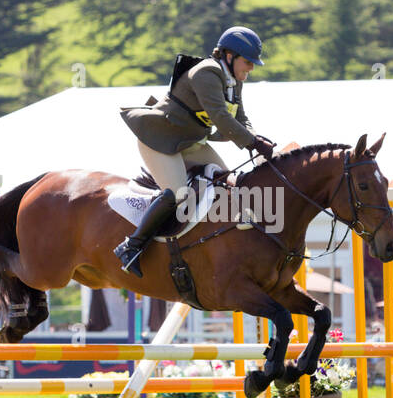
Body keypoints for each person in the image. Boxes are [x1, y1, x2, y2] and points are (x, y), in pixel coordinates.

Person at [115, 26, 276, 276]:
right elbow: (221, 118)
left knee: (228, 183)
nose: (251, 68)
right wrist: (253, 144)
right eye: (248, 62)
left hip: (190, 141)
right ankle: (131, 246)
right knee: (179, 193)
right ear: (229, 56)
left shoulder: (233, 81)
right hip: (160, 138)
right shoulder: (207, 73)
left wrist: (255, 137)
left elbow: (241, 118)